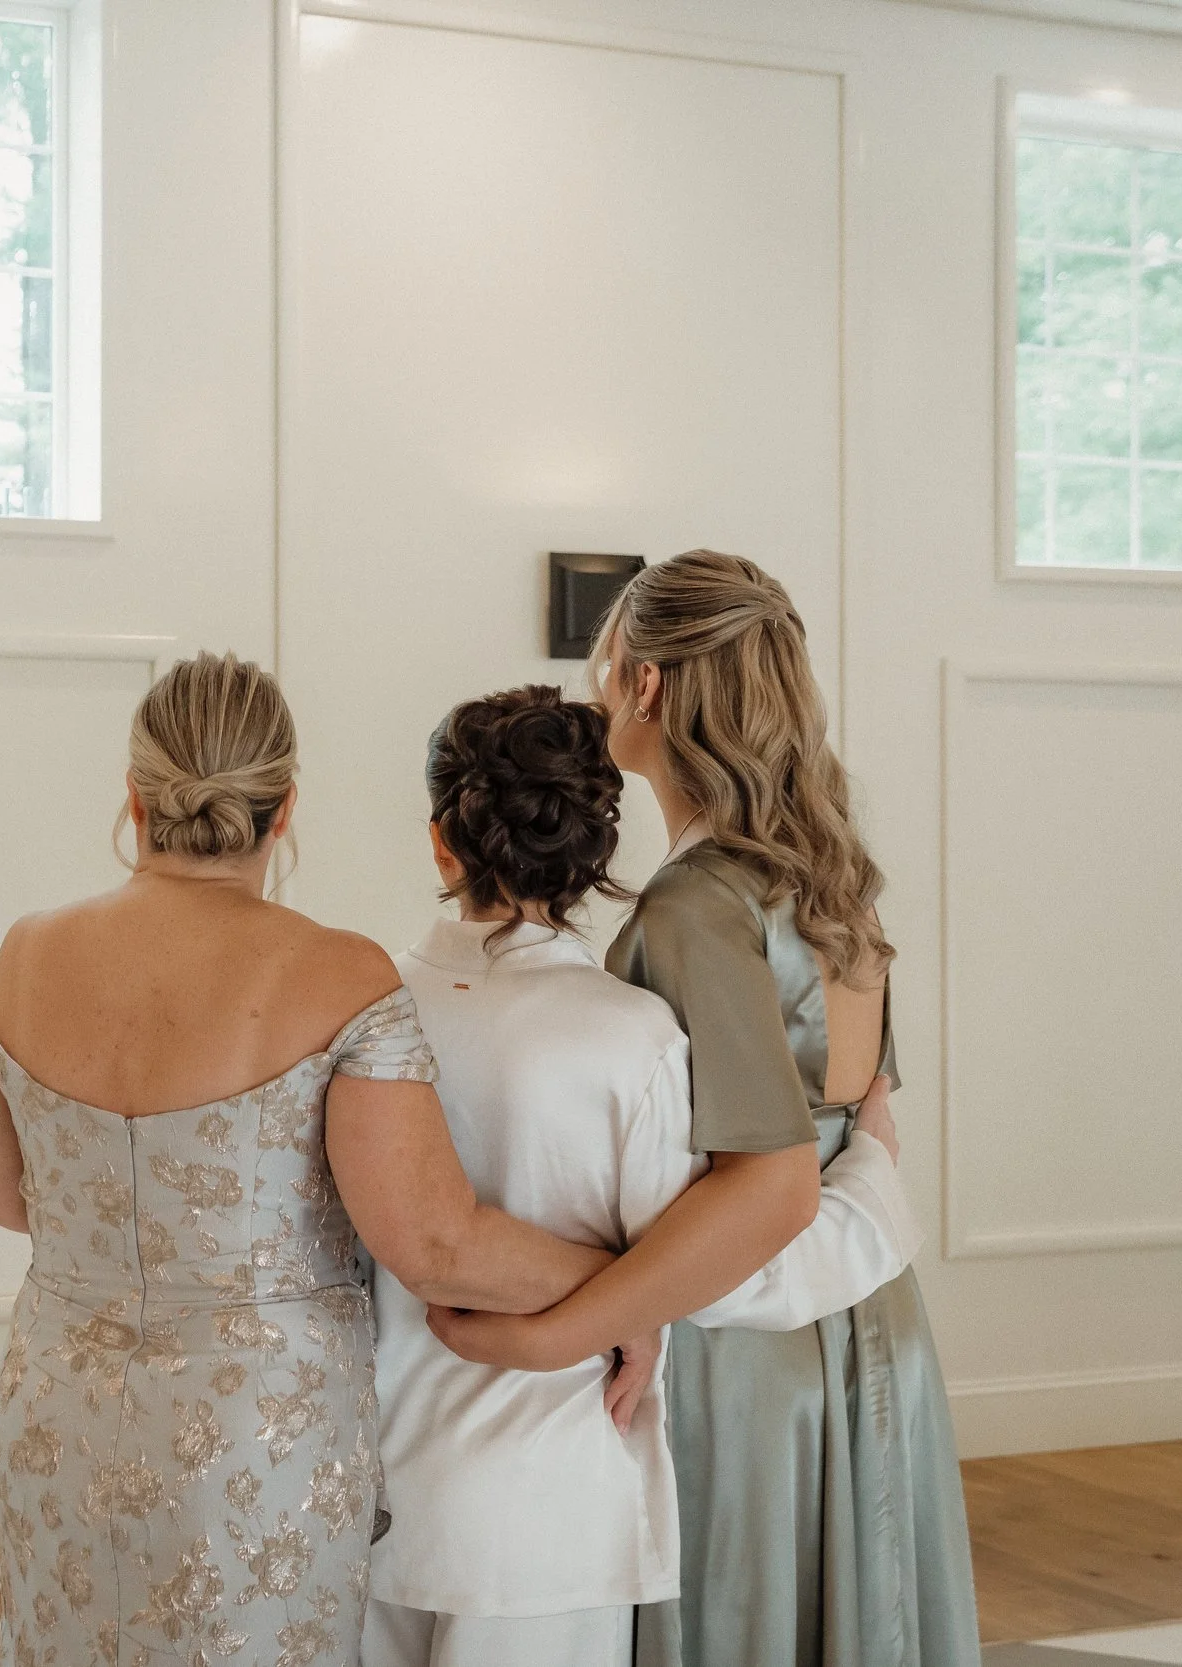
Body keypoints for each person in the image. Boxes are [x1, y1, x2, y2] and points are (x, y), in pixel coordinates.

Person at [0, 653, 622, 1667]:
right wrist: (622, 1285)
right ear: (284, 805)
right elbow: (432, 1243)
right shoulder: (332, 971)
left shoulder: (26, 950)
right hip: (255, 1419)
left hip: (61, 1400)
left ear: (133, 795)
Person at [431, 552, 983, 1667]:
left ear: (646, 684)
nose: (594, 693)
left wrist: (559, 1331)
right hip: (873, 1317)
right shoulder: (835, 872)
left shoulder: (693, 901)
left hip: (751, 1356)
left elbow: (762, 1181)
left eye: (603, 666)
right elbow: (863, 1114)